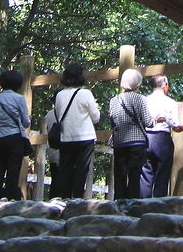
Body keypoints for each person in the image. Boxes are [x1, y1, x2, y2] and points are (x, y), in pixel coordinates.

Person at [140, 74, 183, 198]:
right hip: (162, 140)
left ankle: (141, 206)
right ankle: (158, 206)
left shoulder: (144, 101)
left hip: (145, 138)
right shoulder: (170, 102)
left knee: (145, 174)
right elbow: (175, 126)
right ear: (165, 86)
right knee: (162, 175)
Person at [55, 63, 101, 199]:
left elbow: (58, 115)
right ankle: (78, 199)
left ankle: (62, 199)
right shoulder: (85, 93)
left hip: (66, 137)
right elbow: (96, 117)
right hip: (85, 137)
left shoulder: (59, 95)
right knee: (81, 170)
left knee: (65, 170)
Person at [109, 68, 154, 199]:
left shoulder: (114, 100)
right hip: (136, 141)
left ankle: (118, 202)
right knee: (134, 175)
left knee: (120, 175)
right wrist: (155, 120)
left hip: (119, 141)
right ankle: (132, 203)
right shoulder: (140, 99)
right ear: (138, 83)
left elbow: (112, 120)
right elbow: (148, 122)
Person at [0, 69, 30, 201]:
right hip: (14, 138)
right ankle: (12, 198)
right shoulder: (19, 98)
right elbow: (25, 122)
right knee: (13, 170)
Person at [44, 93, 61, 198]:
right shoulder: (69, 113)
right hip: (66, 152)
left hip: (52, 151)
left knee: (55, 180)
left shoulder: (49, 115)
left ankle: (52, 201)